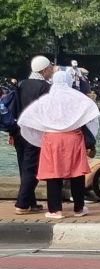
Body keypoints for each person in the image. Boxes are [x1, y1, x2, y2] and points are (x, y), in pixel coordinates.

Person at [16, 69, 100, 219]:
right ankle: (79, 208)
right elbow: (92, 112)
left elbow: (27, 117)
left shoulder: (46, 99)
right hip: (73, 138)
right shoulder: (77, 98)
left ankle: (55, 210)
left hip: (52, 140)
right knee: (76, 174)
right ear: (69, 81)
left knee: (53, 174)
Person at [9, 56, 54, 214]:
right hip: (34, 133)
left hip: (18, 130)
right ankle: (21, 204)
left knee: (24, 167)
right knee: (32, 168)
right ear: (44, 70)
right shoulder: (45, 87)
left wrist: (11, 132)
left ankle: (30, 202)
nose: (52, 70)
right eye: (50, 68)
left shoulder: (22, 84)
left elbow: (15, 109)